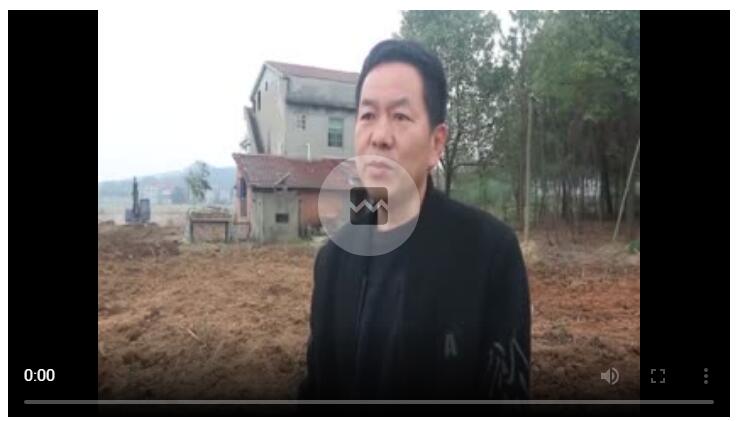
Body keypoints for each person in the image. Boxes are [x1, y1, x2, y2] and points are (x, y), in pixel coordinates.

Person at [299, 39, 531, 400]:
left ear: (436, 143)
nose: (380, 137)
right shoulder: (333, 261)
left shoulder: (488, 254)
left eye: (401, 117)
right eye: (368, 115)